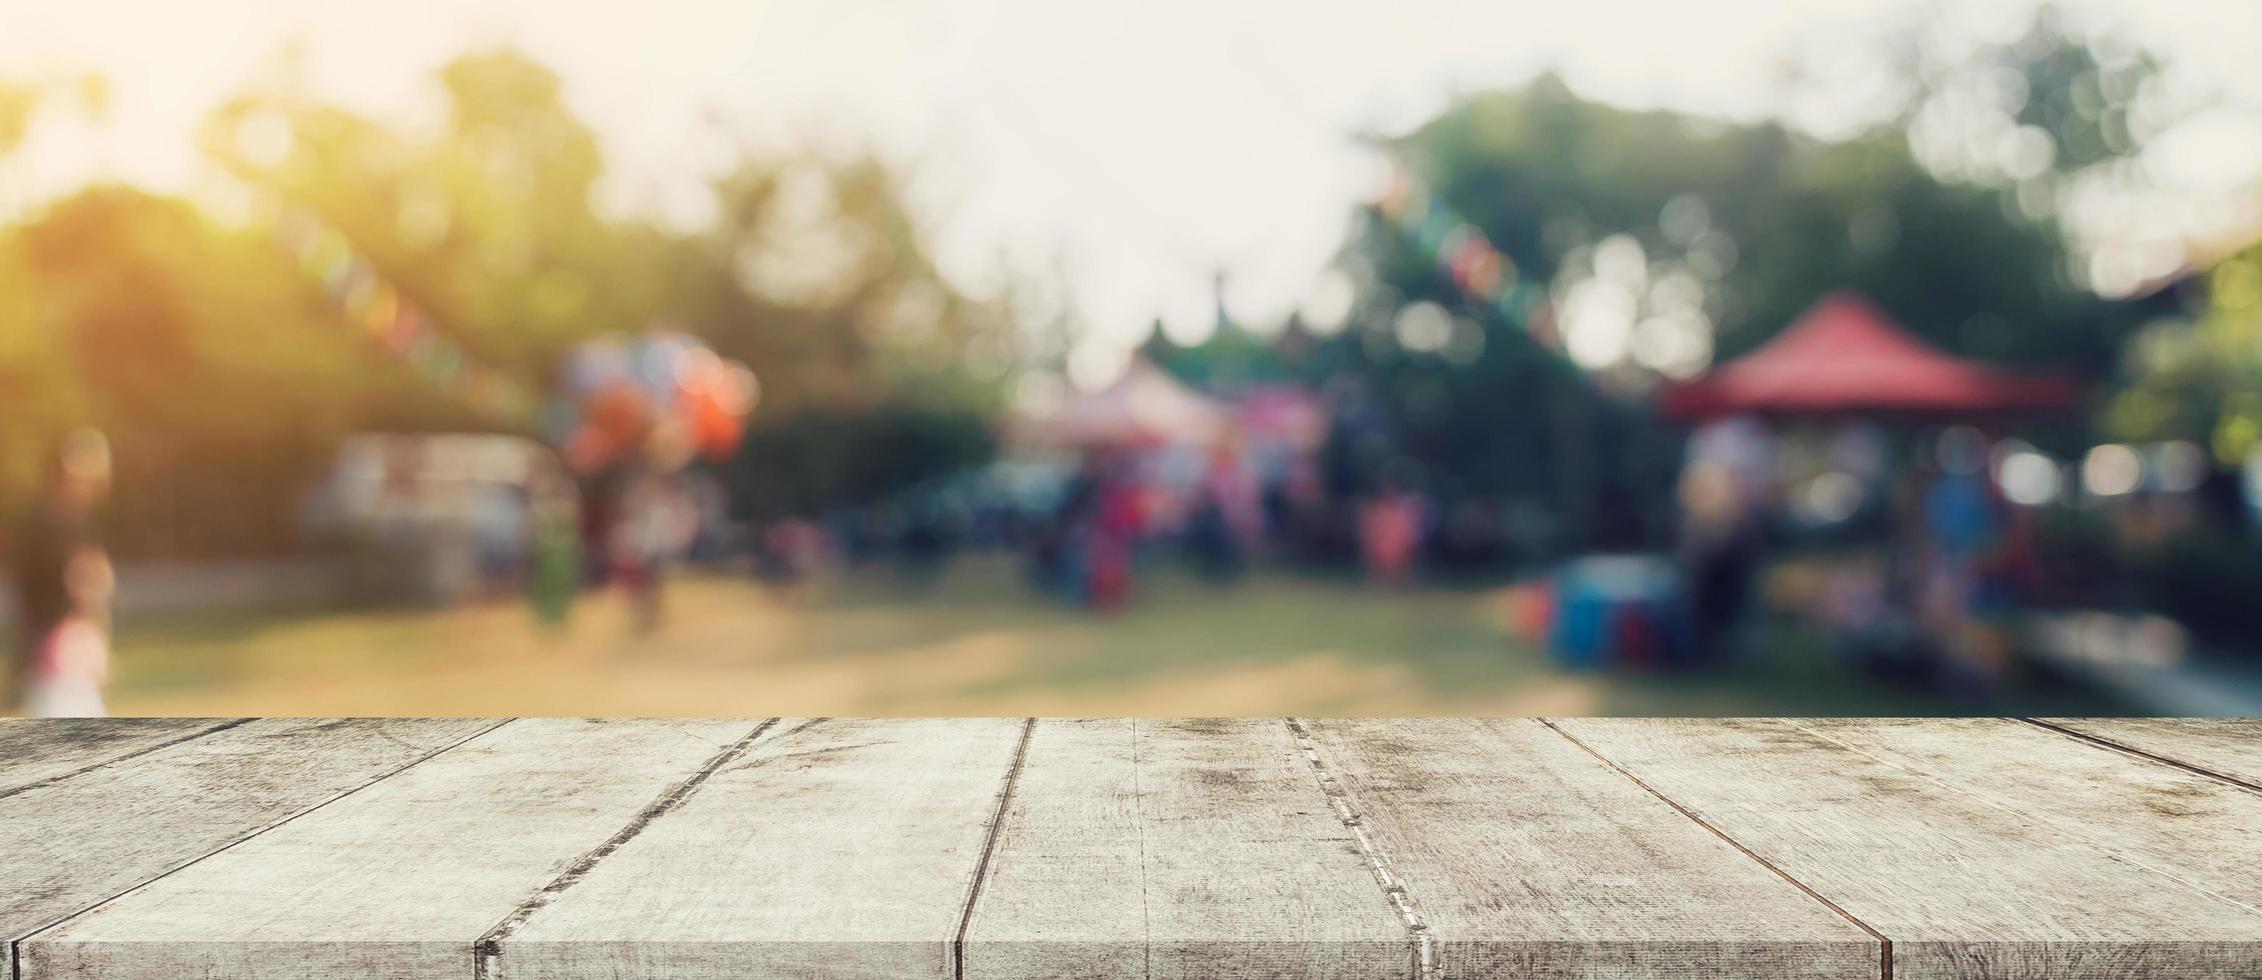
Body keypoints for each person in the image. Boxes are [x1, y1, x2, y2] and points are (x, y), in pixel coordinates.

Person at [8, 430, 116, 717]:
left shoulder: (52, 518)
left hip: (56, 644)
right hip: (62, 646)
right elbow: (85, 582)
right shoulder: (60, 521)